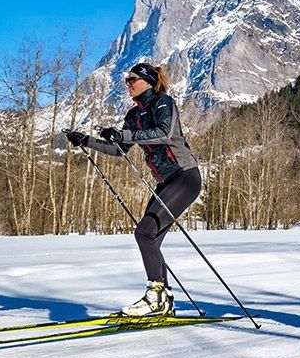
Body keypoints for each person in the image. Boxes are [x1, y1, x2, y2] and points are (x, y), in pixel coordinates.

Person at [66, 62, 201, 317]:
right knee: (151, 239)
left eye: (132, 79)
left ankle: (155, 296)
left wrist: (123, 135)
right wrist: (87, 140)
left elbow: (163, 133)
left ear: (148, 81)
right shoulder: (133, 115)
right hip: (166, 183)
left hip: (185, 177)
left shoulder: (163, 102)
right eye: (126, 80)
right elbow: (119, 150)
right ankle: (164, 301)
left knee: (145, 233)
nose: (128, 83)